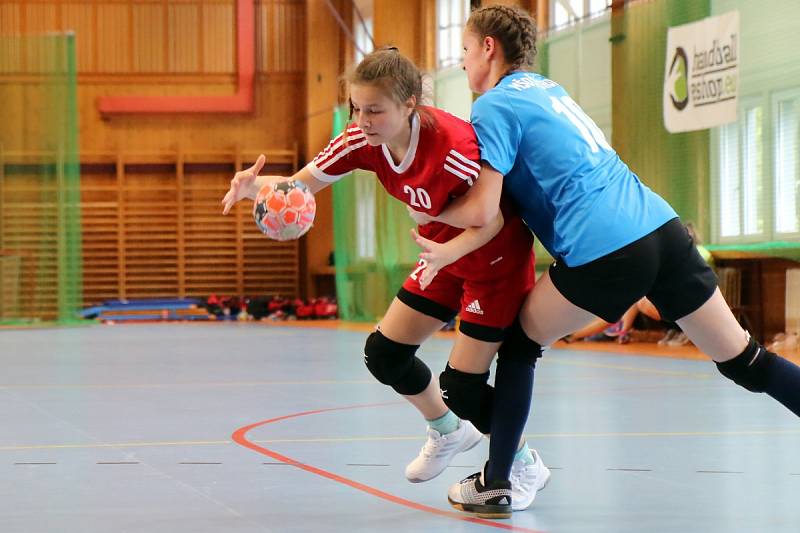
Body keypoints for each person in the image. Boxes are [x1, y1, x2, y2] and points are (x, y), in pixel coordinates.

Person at [407, 4, 800, 516]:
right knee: (746, 361)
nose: (462, 64)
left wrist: (425, 206)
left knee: (520, 344)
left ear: (488, 48)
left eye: (464, 50)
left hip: (605, 247)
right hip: (662, 229)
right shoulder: (550, 90)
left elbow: (484, 207)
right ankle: (503, 474)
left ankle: (501, 479)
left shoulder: (494, 105)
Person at [221, 47, 550, 516]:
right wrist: (255, 188)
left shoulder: (452, 147)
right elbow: (300, 186)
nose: (362, 120)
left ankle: (521, 463)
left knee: (465, 386)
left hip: (490, 259)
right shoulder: (359, 140)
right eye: (356, 108)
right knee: (384, 353)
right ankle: (446, 429)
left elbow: (489, 218)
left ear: (410, 103)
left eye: (374, 110)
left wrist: (447, 248)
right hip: (441, 253)